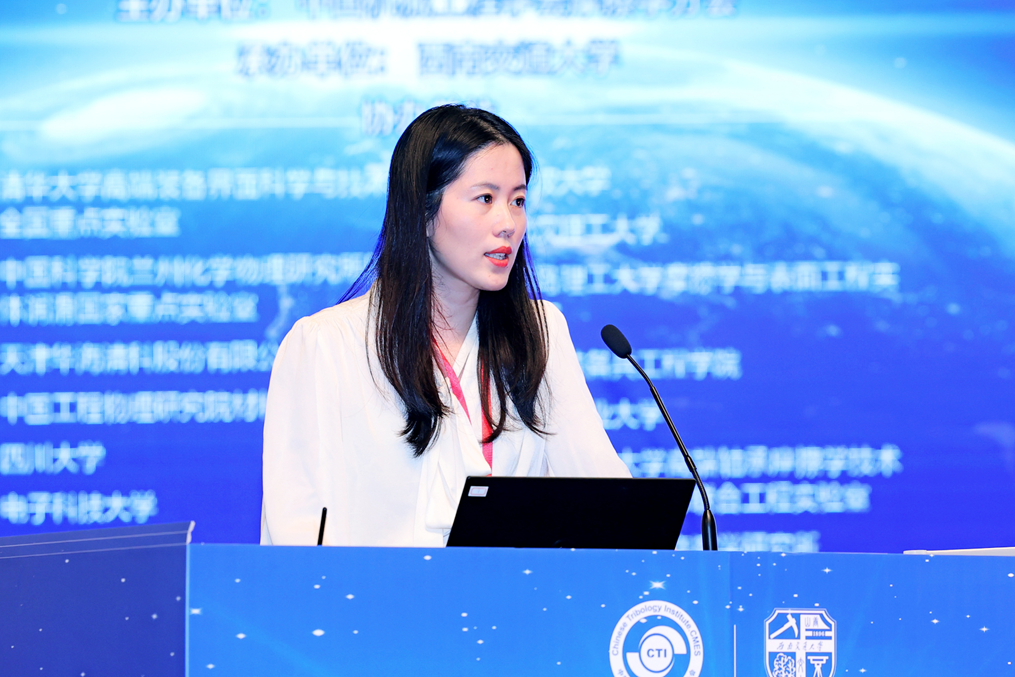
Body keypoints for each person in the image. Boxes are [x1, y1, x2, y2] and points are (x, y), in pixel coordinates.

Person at [260, 105, 630, 547]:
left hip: (509, 591)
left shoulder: (539, 331)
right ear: (422, 210)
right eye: (485, 199)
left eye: (518, 201)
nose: (508, 224)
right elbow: (295, 535)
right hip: (374, 593)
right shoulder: (326, 344)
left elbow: (608, 504)